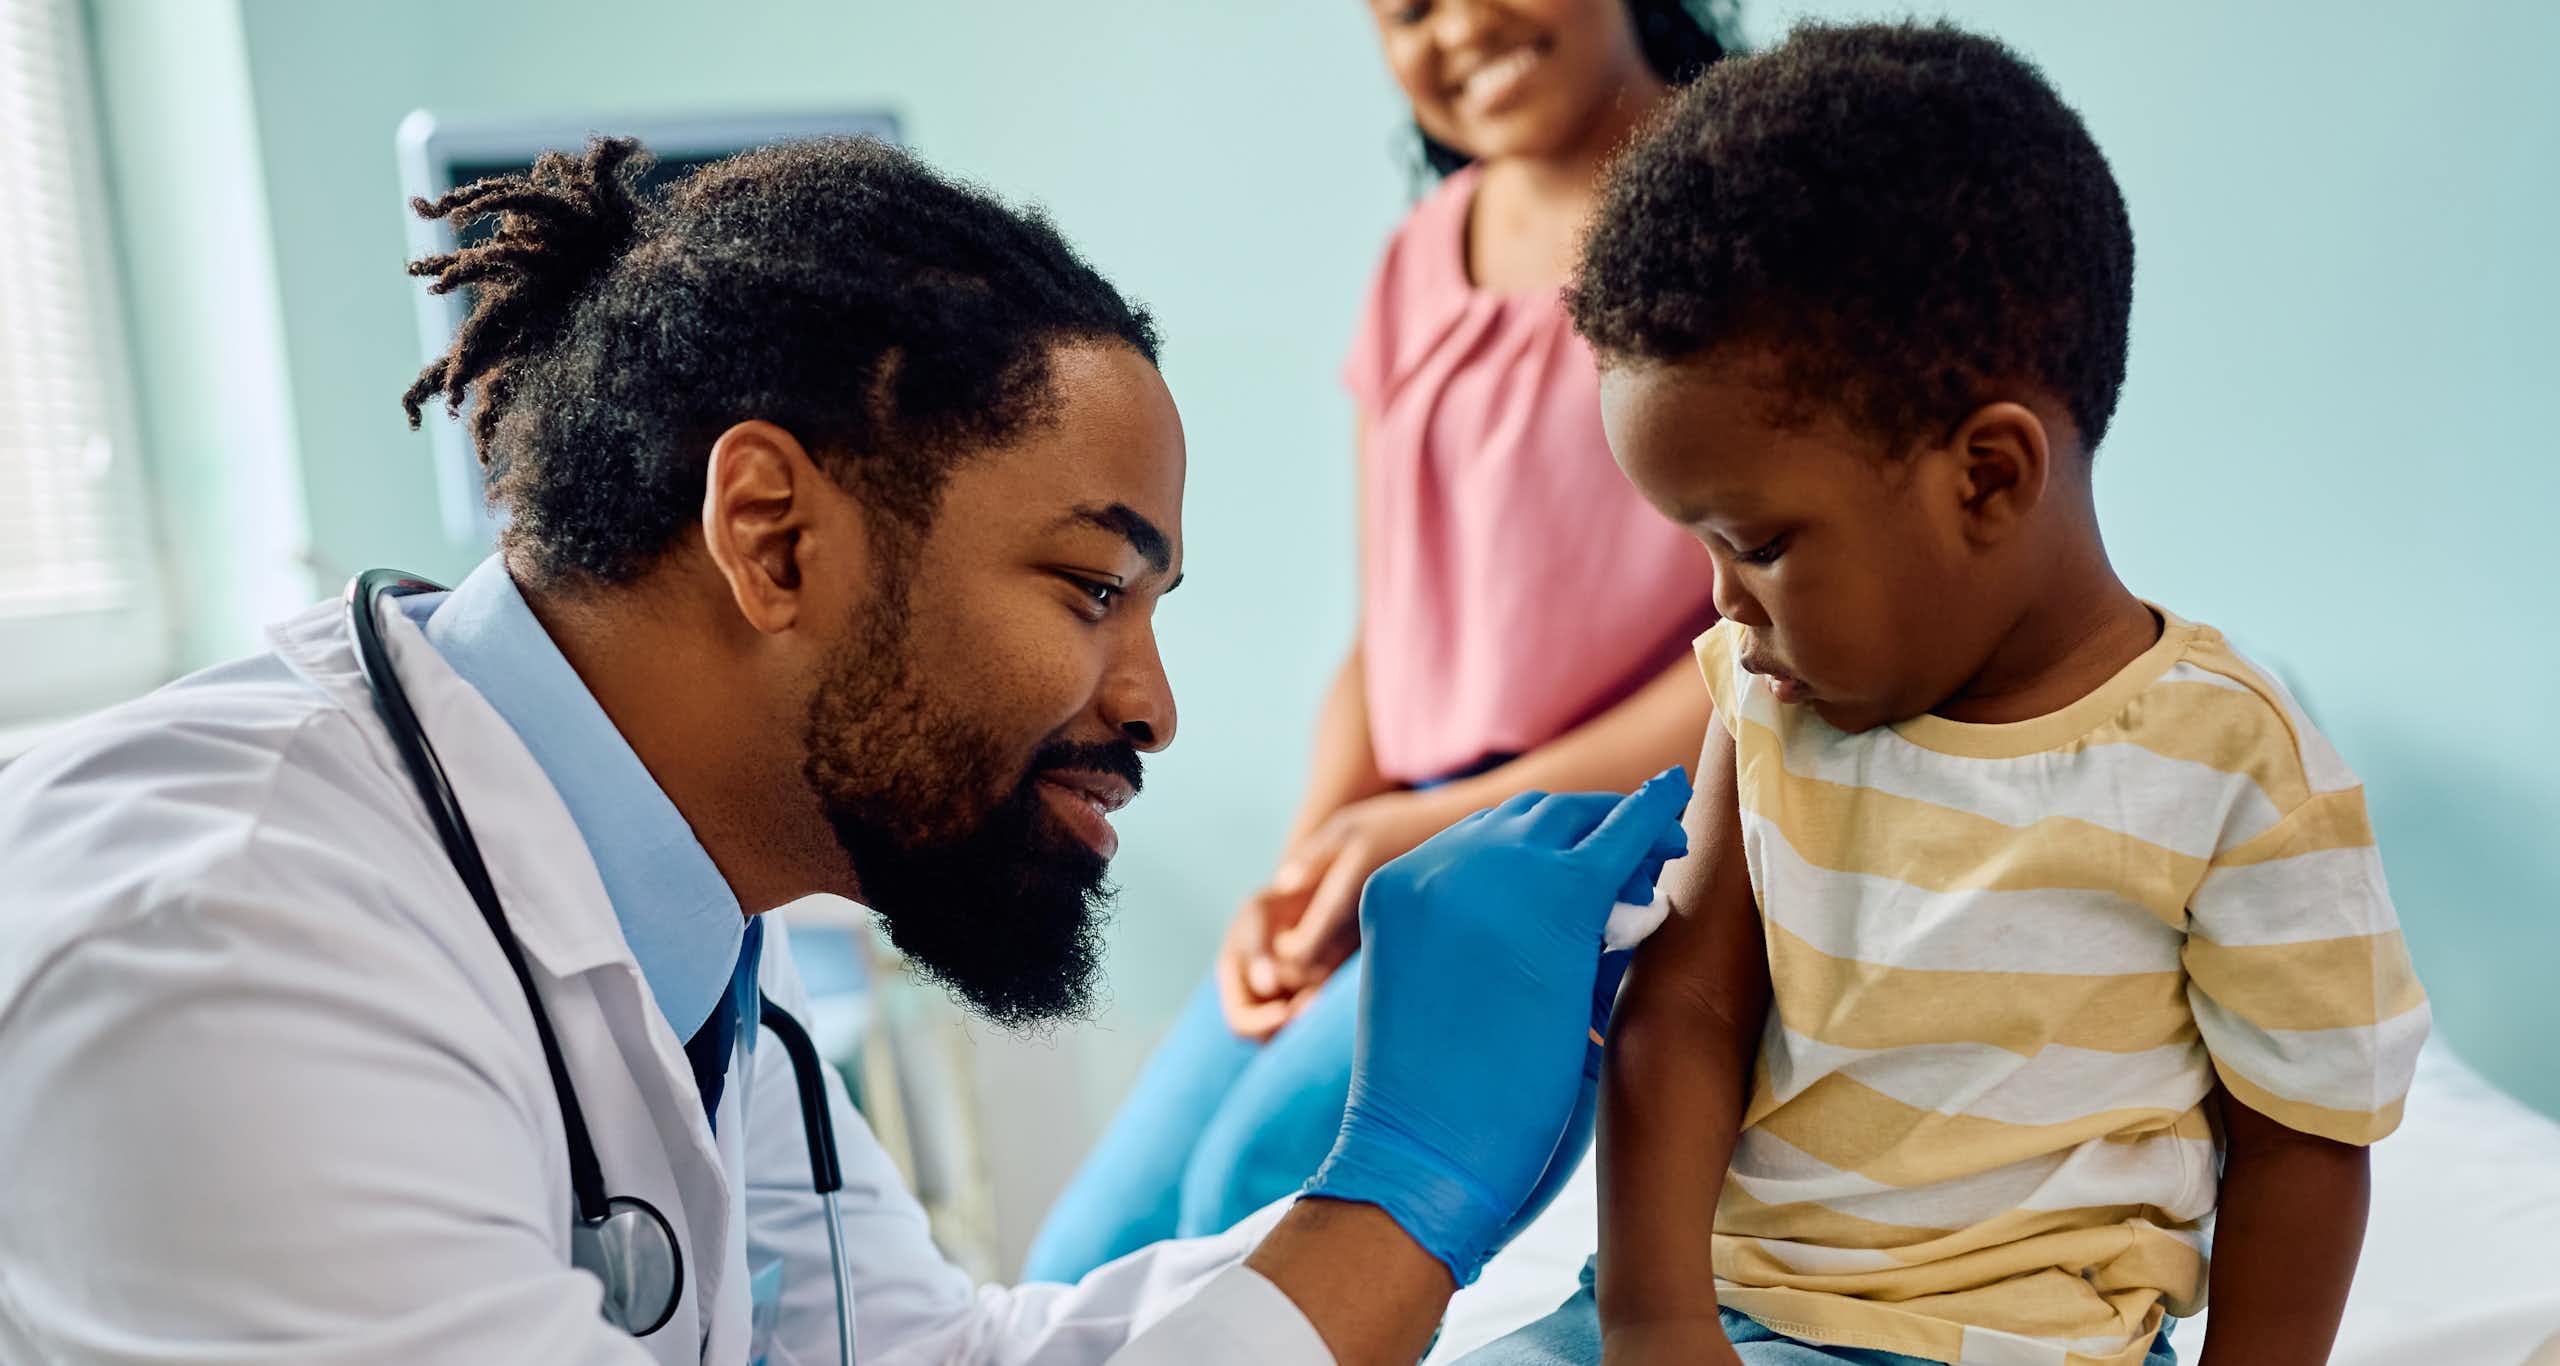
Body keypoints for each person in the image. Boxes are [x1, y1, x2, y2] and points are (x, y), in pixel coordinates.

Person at [0, 135, 1693, 1365]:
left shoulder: (681, 933)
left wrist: (1415, 1225)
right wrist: (1402, 1195)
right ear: (775, 536)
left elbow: (939, 1360)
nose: (1154, 703)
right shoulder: (232, 956)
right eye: (1093, 586)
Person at [1459, 22, 2430, 1366]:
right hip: (1716, 1315)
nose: (1724, 604)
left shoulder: (2231, 760)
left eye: (1762, 543)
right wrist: (1652, 1315)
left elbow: (2305, 1139)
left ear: (1986, 477)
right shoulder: (1768, 700)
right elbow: (1684, 1013)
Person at [1026, 0, 1732, 1282]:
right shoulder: (1420, 259)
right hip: (1405, 834)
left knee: (1255, 1196)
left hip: (1609, 843)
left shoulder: (1745, 223)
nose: (1461, 25)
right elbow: (1390, 625)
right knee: (1087, 1253)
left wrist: (1411, 834)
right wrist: (1312, 864)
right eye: (1407, 6)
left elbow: (1756, 659)